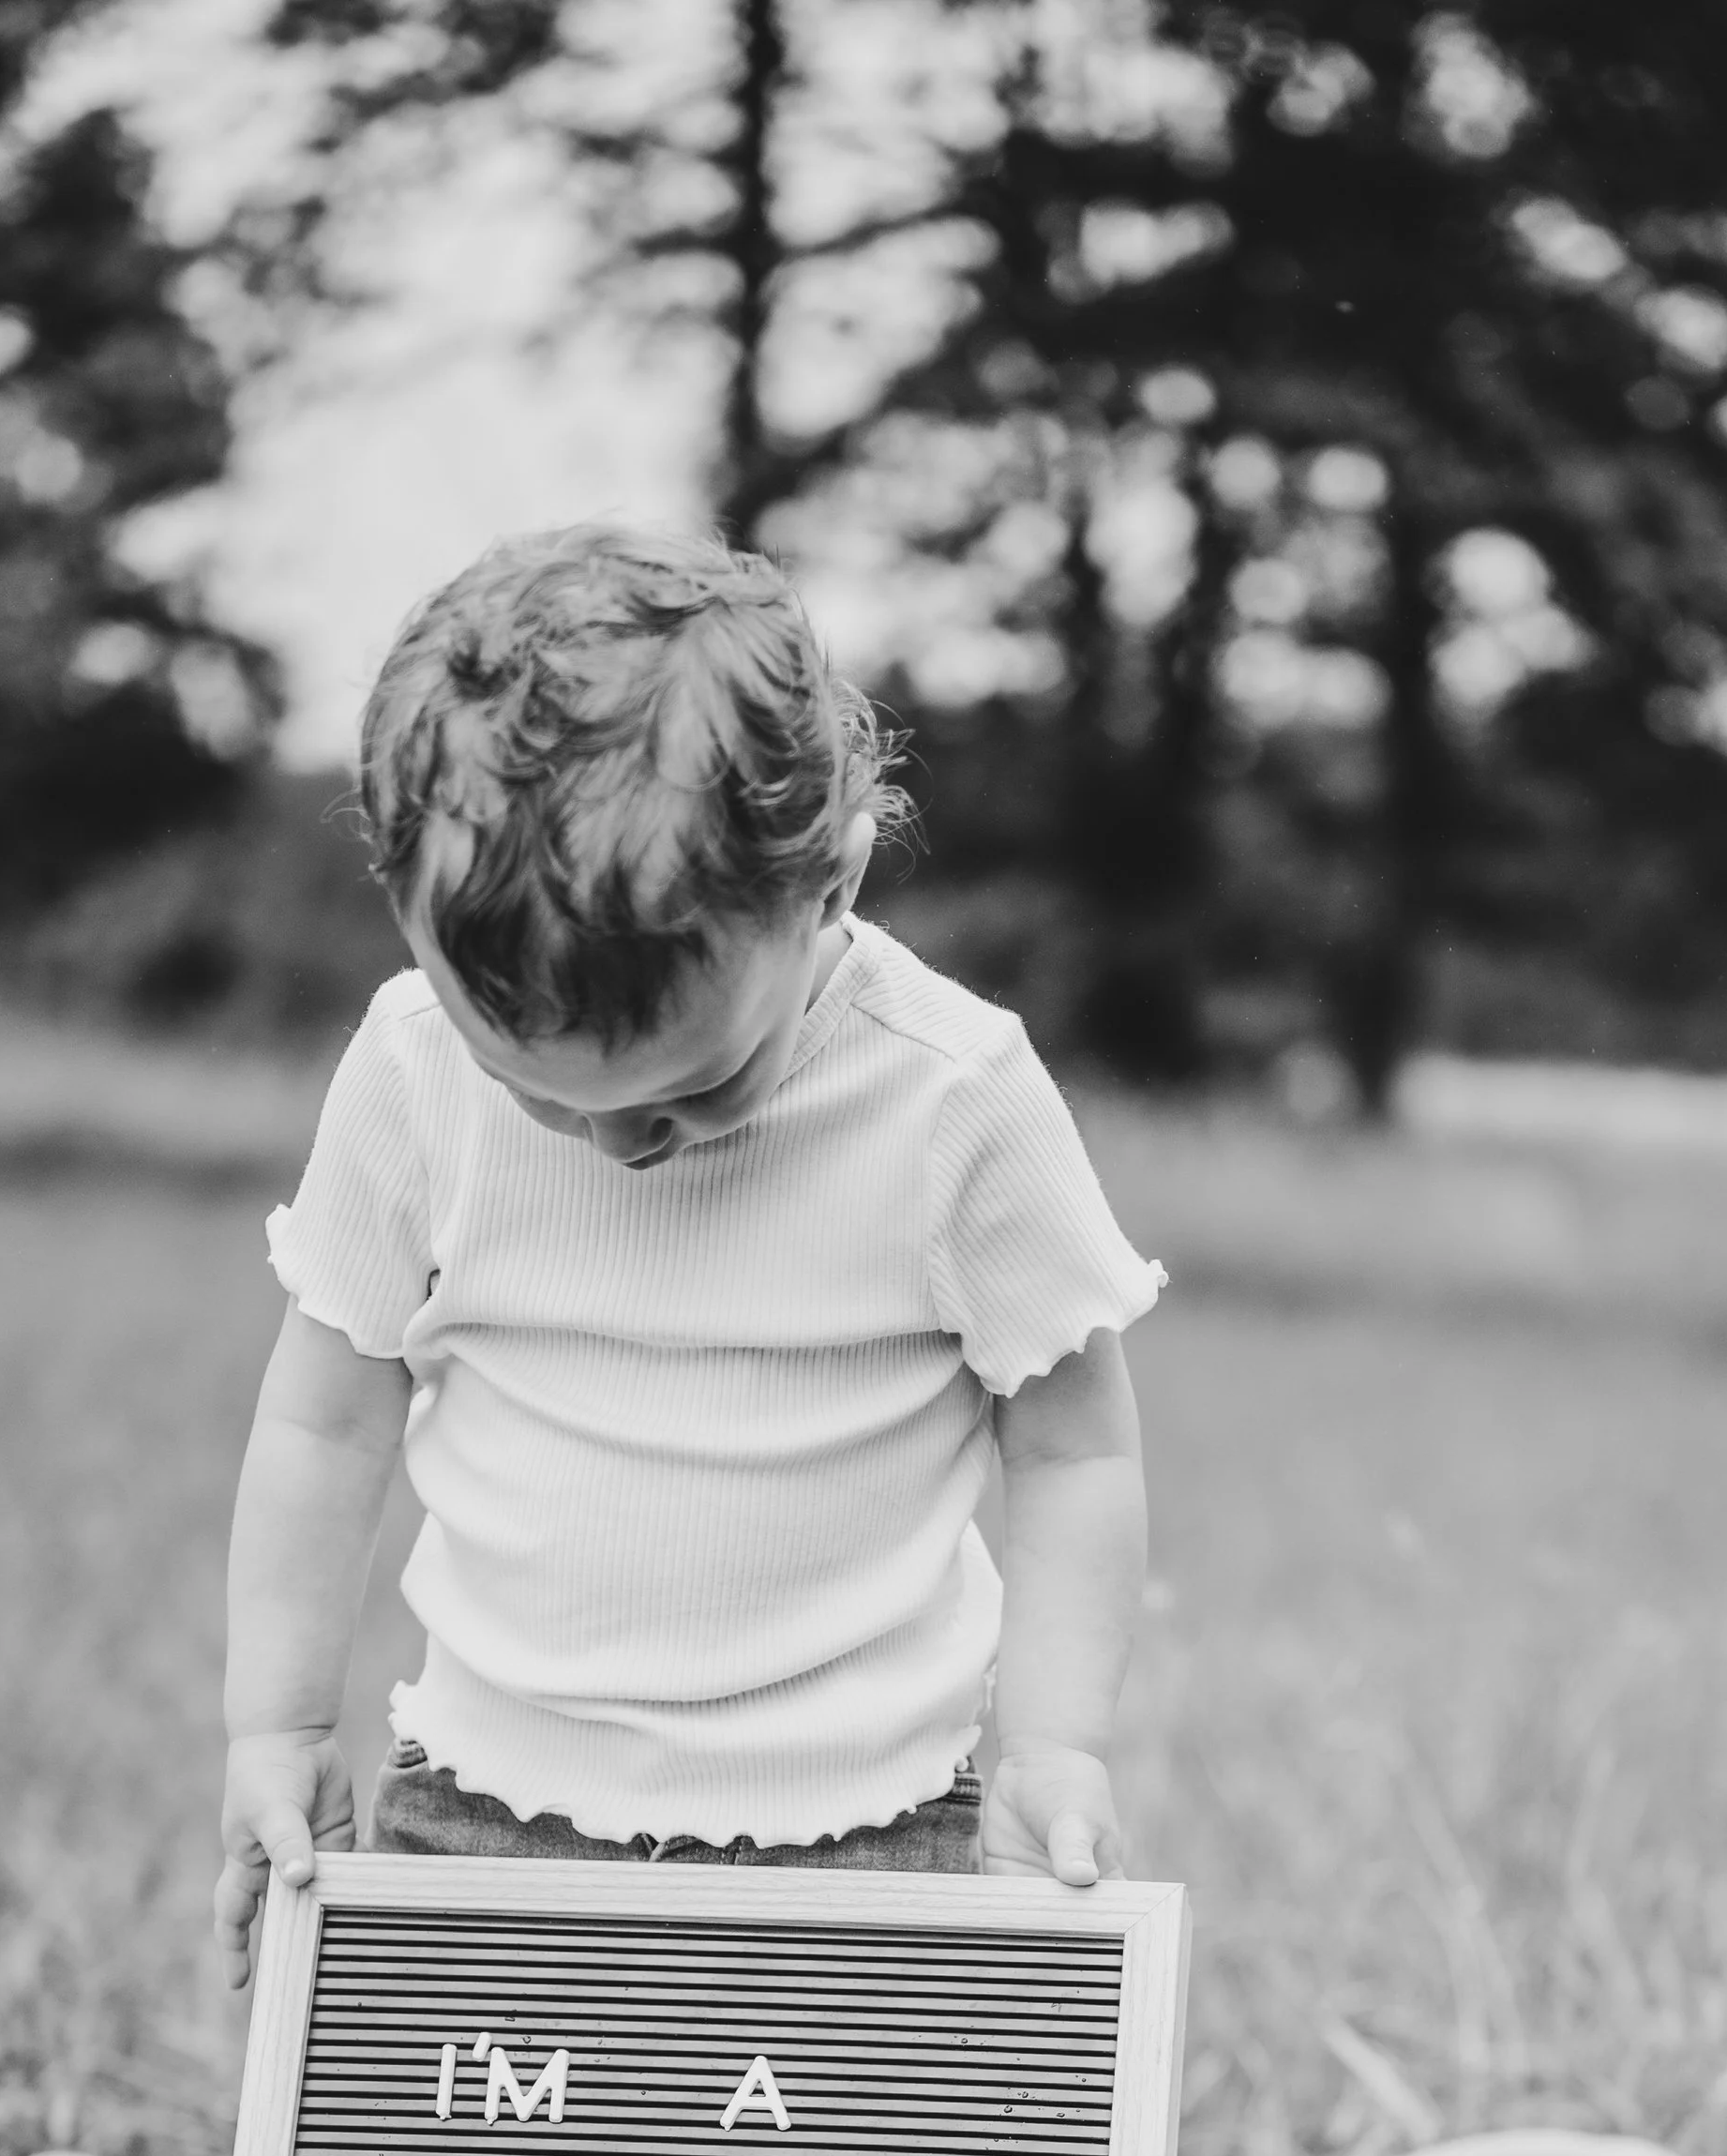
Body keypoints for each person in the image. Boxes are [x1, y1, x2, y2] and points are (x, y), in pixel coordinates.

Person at [213, 521, 1163, 1989]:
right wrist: (274, 1727)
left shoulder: (952, 1095)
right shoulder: (412, 1072)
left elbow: (1072, 1454)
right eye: (540, 1090)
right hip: (480, 1808)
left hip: (866, 1831)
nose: (619, 1150)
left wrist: (1053, 1746)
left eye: (695, 1087)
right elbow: (323, 1422)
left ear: (831, 890)